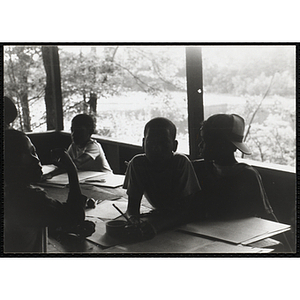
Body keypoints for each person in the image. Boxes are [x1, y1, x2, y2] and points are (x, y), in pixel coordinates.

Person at [4, 129, 94, 253]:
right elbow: (75, 215)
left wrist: (65, 227)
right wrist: (72, 169)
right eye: (29, 153)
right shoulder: (29, 198)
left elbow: (33, 220)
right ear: (11, 162)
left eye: (34, 152)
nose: (36, 160)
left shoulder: (10, 193)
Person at [123, 117, 201, 232]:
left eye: (163, 143)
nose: (156, 148)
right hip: (160, 216)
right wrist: (133, 219)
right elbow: (132, 208)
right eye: (150, 142)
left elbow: (186, 213)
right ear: (143, 143)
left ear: (174, 146)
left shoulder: (180, 163)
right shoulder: (137, 163)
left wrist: (156, 227)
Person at [192, 113, 274, 220]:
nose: (200, 145)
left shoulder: (247, 175)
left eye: (206, 141)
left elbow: (265, 214)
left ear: (223, 145)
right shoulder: (198, 169)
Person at [42, 114, 112, 180]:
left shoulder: (94, 146)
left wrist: (57, 163)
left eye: (79, 131)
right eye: (72, 130)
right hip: (88, 179)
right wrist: (50, 175)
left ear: (90, 132)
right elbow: (68, 165)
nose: (74, 134)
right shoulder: (73, 146)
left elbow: (75, 163)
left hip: (105, 179)